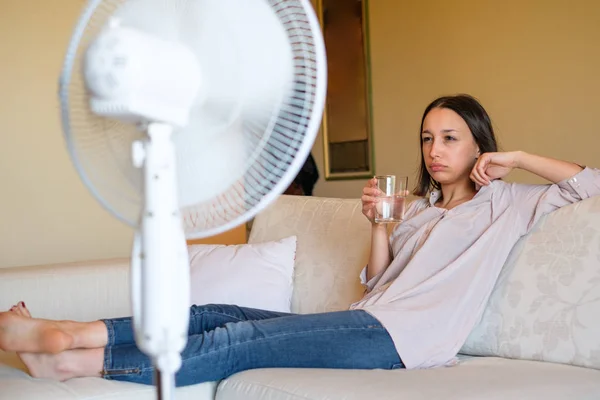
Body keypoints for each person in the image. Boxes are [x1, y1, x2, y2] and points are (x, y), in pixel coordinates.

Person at [1, 94, 598, 386]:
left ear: (476, 146)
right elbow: (376, 284)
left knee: (241, 339)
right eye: (426, 138)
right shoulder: (419, 210)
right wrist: (382, 228)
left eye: (450, 138)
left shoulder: (511, 204)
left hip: (403, 341)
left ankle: (72, 355)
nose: (435, 150)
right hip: (369, 317)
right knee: (214, 312)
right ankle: (74, 335)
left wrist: (516, 158)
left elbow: (589, 183)